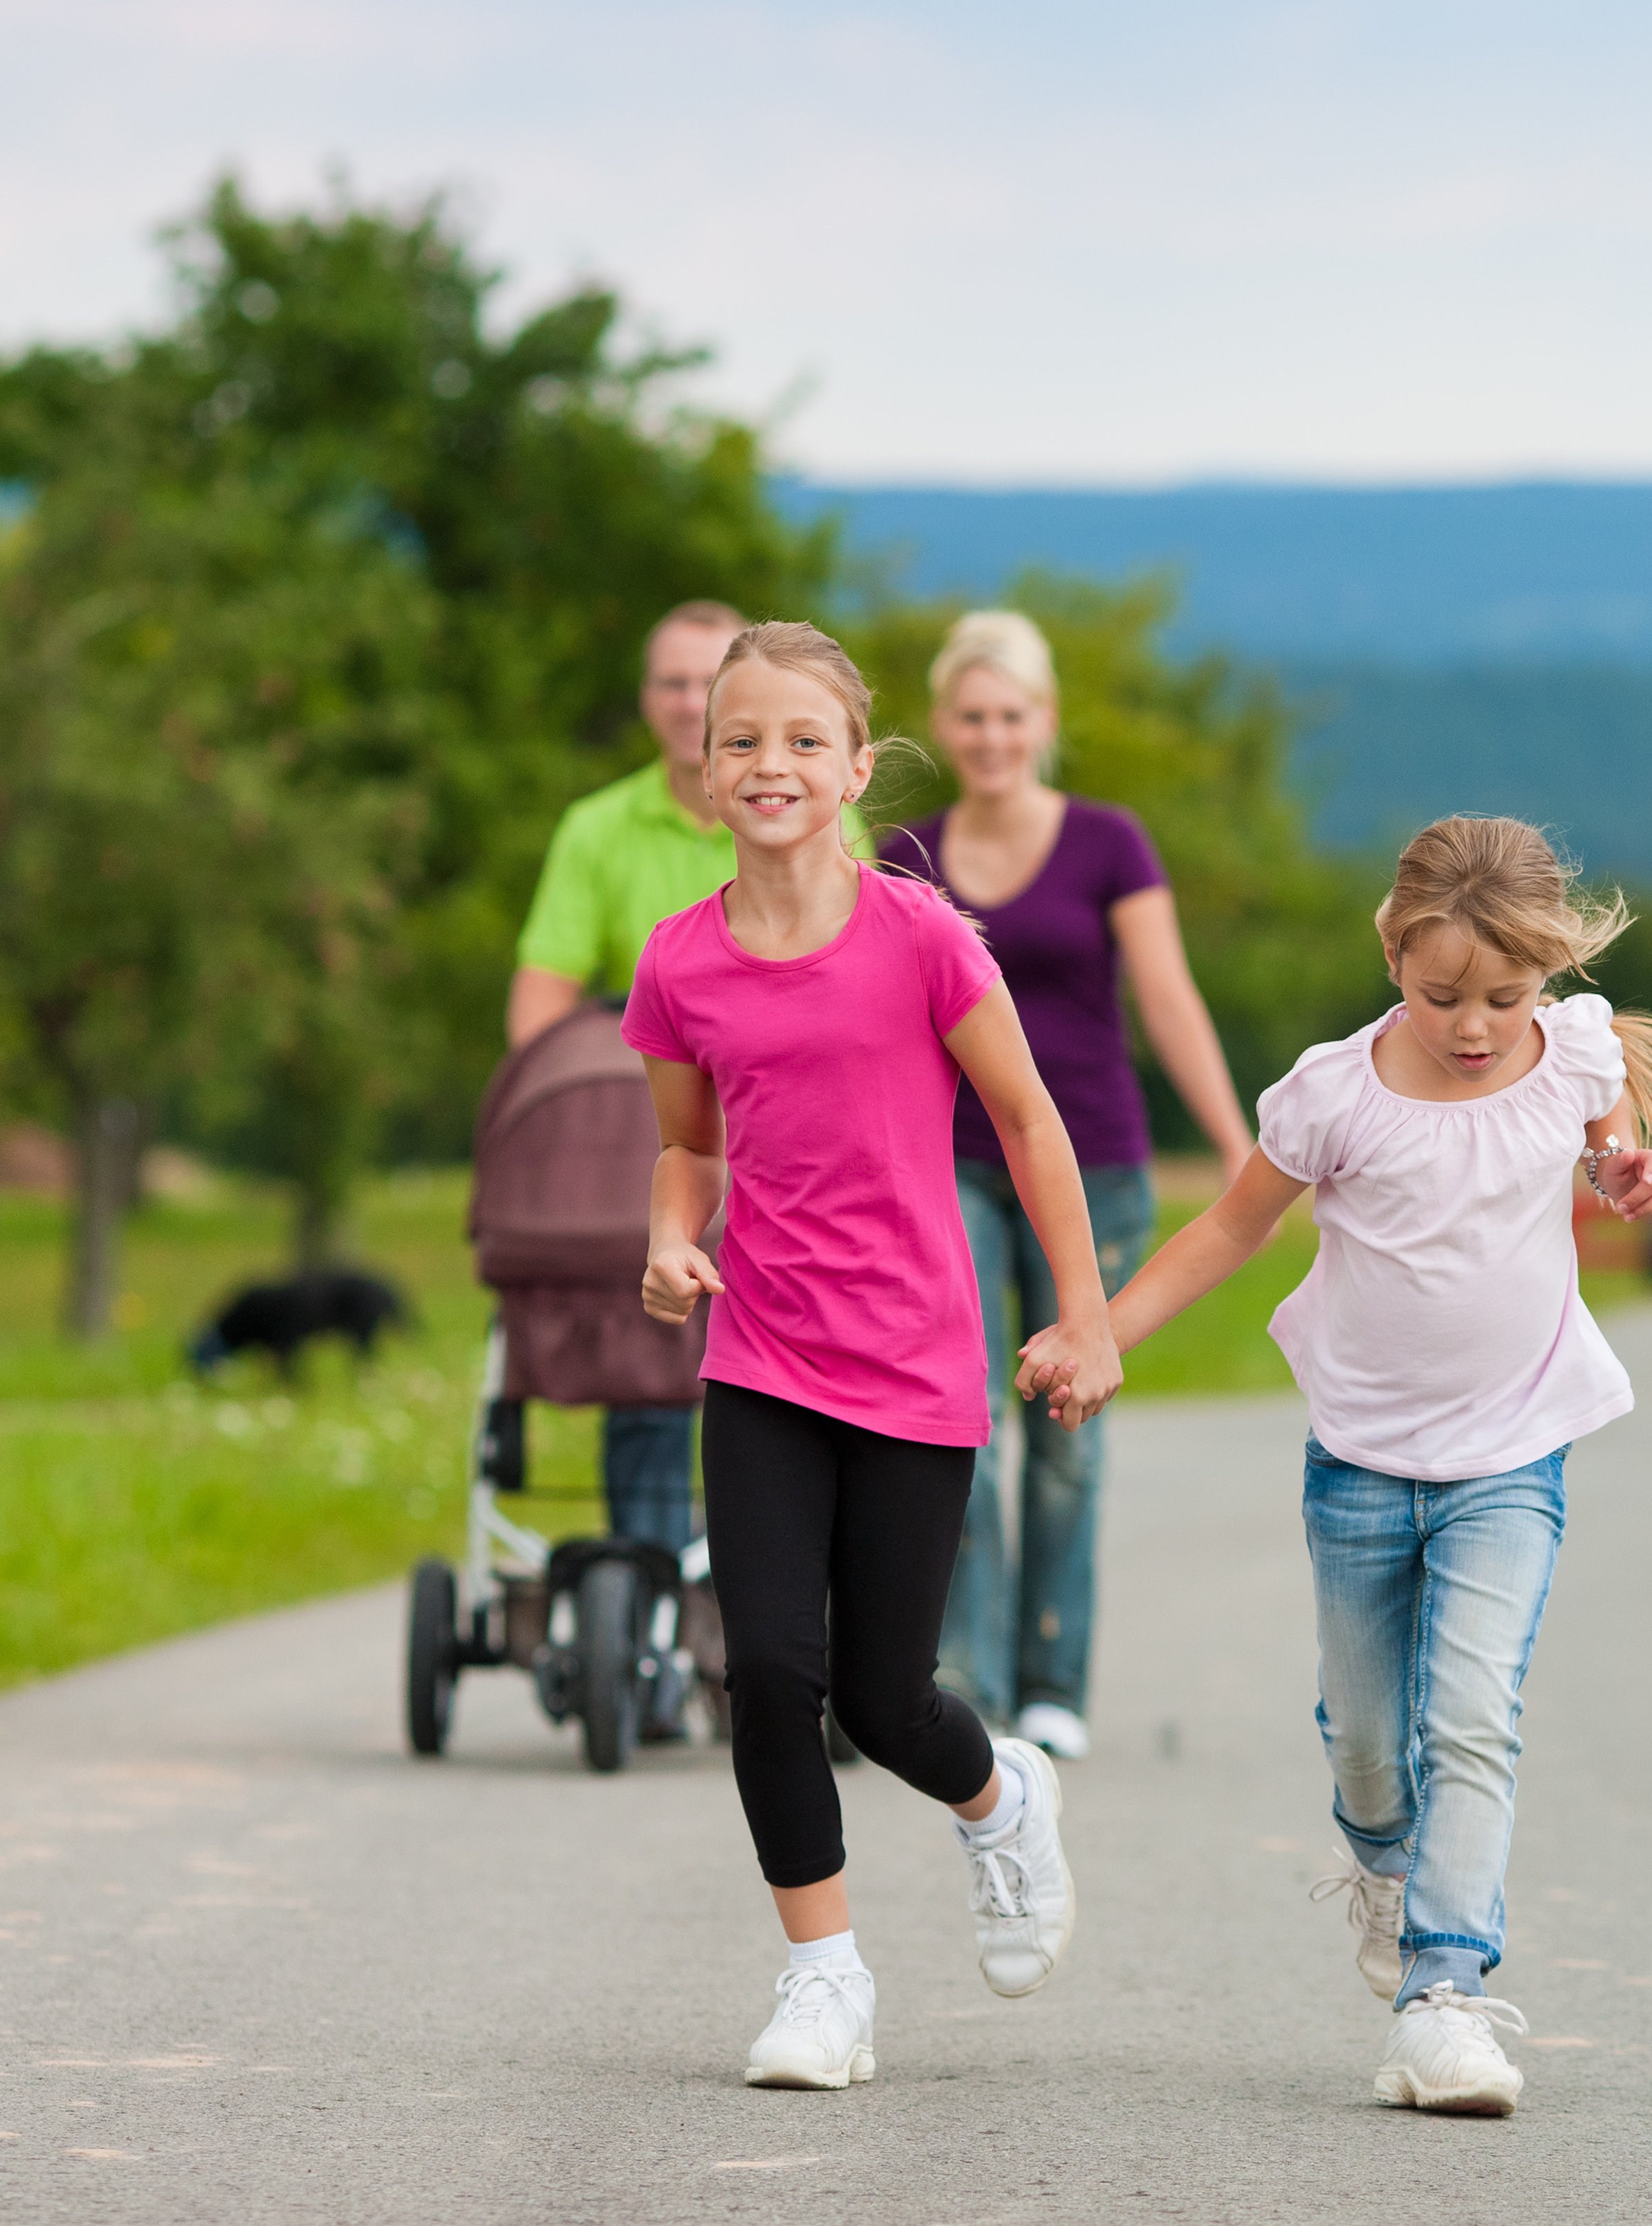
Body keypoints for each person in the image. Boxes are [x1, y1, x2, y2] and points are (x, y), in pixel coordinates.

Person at [1021, 815, 1652, 2117]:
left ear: (1543, 974)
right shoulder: (1335, 1092)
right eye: (1445, 995)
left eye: (1507, 995)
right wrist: (1098, 1332)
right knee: (1371, 1744)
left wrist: (1623, 1164)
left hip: (1513, 1456)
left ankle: (1446, 1995)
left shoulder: (1573, 1054)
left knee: (1474, 1715)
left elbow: (1611, 1129)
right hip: (1365, 1465)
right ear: (1394, 956)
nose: (1478, 1024)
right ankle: (1383, 1861)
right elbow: (1228, 1230)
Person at [629, 620, 1114, 2090]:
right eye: (740, 739)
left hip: (914, 1361)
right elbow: (683, 1144)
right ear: (706, 770)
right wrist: (667, 1238)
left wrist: (1086, 1311)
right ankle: (824, 1977)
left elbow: (1029, 1122)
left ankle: (1000, 1801)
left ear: (852, 769)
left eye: (799, 741)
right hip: (763, 1355)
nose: (768, 763)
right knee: (771, 1671)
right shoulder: (681, 962)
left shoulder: (921, 935)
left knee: (885, 1697)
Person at [879, 611, 1251, 1763]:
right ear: (944, 725)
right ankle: (972, 1677)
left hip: (1089, 1162)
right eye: (971, 716)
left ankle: (1054, 1679)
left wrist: (1239, 1147)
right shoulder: (905, 853)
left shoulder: (1108, 842)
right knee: (965, 1422)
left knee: (1069, 1429)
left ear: (1044, 723)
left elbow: (1170, 998)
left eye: (1012, 715)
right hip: (953, 1161)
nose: (992, 736)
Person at [515, 600, 869, 1560]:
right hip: (642, 1123)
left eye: (702, 684)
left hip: (780, 1137)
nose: (685, 702)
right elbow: (538, 1006)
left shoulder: (813, 807)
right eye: (670, 683)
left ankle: (760, 1578)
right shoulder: (596, 830)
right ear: (650, 702)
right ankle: (655, 1589)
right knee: (645, 1363)